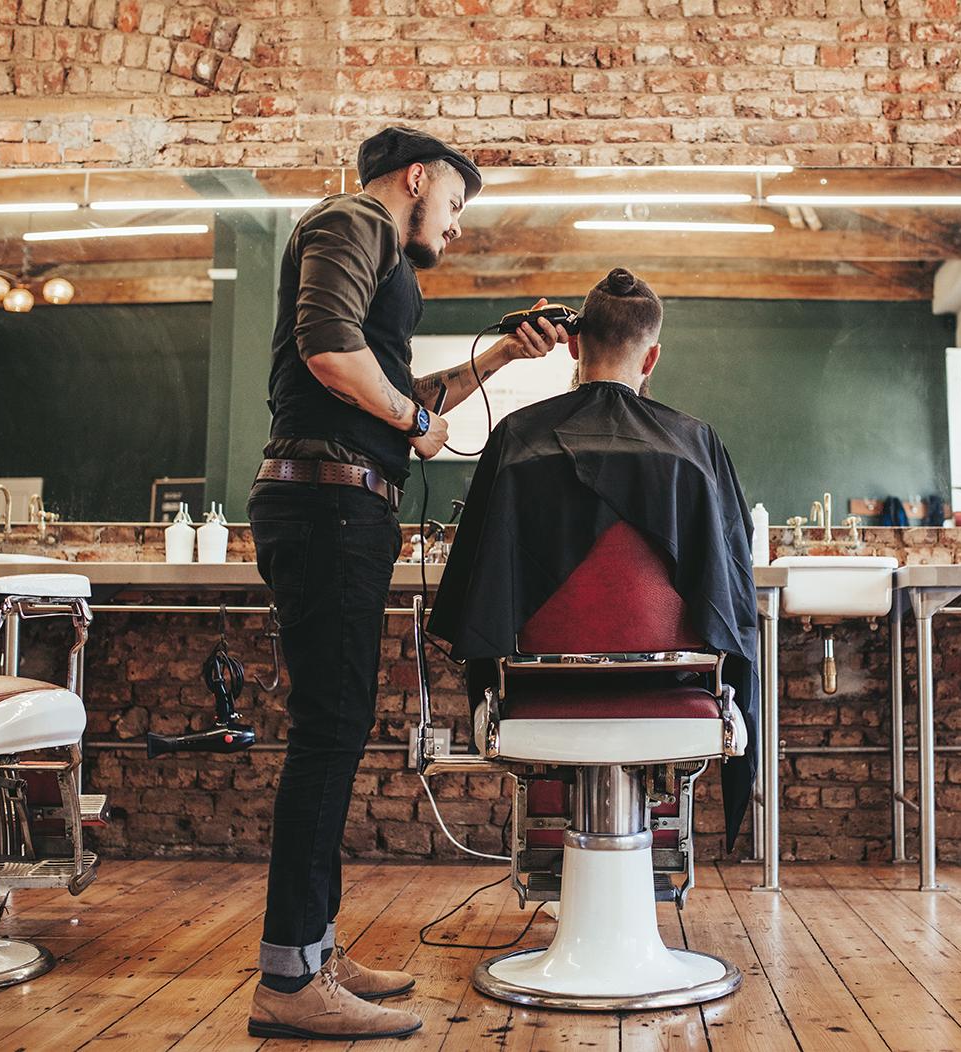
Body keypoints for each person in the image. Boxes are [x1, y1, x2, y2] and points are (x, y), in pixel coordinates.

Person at [246, 126, 569, 1042]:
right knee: (327, 735)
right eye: (457, 205)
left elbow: (397, 391)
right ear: (416, 179)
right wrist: (410, 419)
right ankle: (287, 980)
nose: (457, 227)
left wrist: (501, 357)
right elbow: (329, 356)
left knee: (336, 731)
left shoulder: (377, 254)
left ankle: (310, 950)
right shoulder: (354, 221)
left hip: (343, 505)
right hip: (326, 508)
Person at [428, 267, 760, 850]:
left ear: (574, 343)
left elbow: (480, 589)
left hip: (539, 684)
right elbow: (729, 587)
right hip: (670, 685)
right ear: (652, 357)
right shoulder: (696, 445)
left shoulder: (516, 439)